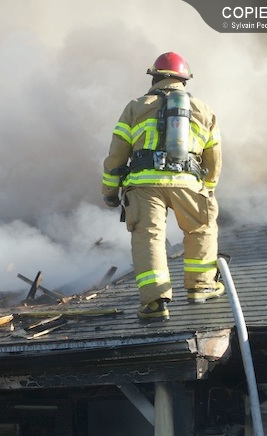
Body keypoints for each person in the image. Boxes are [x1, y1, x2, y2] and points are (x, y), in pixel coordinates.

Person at [101, 51, 223, 321]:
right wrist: (208, 188)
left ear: (154, 78)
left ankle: (155, 302)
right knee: (200, 229)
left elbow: (116, 156)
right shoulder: (203, 109)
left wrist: (110, 191)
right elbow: (213, 158)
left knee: (149, 237)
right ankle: (201, 287)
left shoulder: (135, 107)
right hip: (187, 182)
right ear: (184, 80)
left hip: (144, 185)